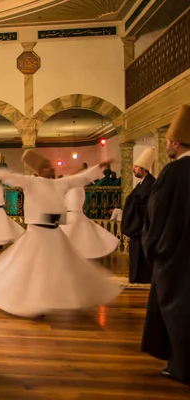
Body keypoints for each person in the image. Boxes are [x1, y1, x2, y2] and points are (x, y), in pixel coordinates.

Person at [0, 150, 122, 318]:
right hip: (37, 232)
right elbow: (14, 178)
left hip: (54, 231)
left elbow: (78, 179)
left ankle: (53, 298)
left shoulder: (58, 184)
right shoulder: (31, 182)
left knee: (62, 267)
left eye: (50, 165)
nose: (51, 168)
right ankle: (29, 301)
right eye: (46, 166)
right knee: (33, 268)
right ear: (39, 170)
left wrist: (99, 167)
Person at [141, 104, 190, 386]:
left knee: (177, 309)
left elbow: (156, 213)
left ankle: (182, 366)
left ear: (174, 142)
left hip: (175, 257)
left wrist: (152, 248)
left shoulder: (173, 172)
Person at [60, 165, 120, 259]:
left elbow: (72, 204)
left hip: (73, 215)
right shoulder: (75, 187)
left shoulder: (76, 188)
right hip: (71, 215)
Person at [121, 148, 156, 283]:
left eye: (136, 167)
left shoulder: (151, 183)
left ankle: (142, 278)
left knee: (141, 254)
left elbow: (144, 203)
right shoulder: (142, 183)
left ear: (144, 169)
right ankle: (136, 277)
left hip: (142, 225)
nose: (134, 170)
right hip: (139, 225)